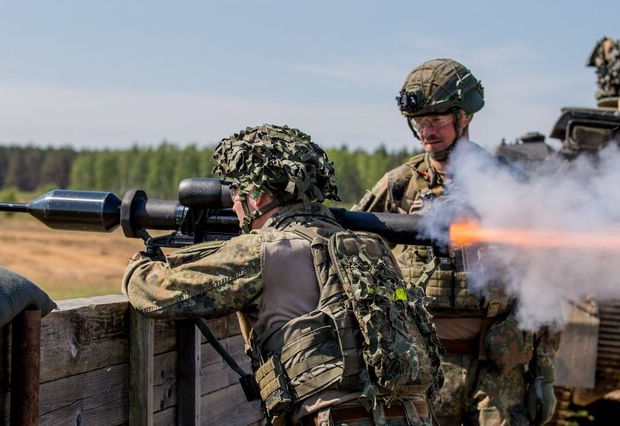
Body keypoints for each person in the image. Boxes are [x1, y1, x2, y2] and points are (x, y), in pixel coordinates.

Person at [123, 124, 443, 426]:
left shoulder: (266, 248)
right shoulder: (371, 247)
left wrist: (140, 263)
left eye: (237, 192)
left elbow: (158, 293)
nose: (235, 206)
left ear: (258, 196)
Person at [354, 59, 559, 426]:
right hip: (421, 367)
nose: (425, 132)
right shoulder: (402, 185)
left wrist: (544, 372)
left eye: (435, 121)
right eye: (418, 123)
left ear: (464, 117)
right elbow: (348, 238)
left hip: (496, 373)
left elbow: (544, 279)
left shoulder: (505, 183)